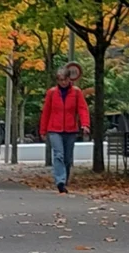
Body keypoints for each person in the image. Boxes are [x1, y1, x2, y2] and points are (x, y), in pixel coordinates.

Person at [39, 62, 93, 194]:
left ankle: (65, 178)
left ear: (69, 79)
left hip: (70, 129)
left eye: (65, 79)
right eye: (60, 80)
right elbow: (46, 112)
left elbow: (82, 109)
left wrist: (85, 124)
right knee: (58, 155)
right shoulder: (52, 93)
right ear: (57, 80)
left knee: (68, 158)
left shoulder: (76, 92)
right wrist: (43, 130)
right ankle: (60, 181)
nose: (63, 82)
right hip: (54, 129)